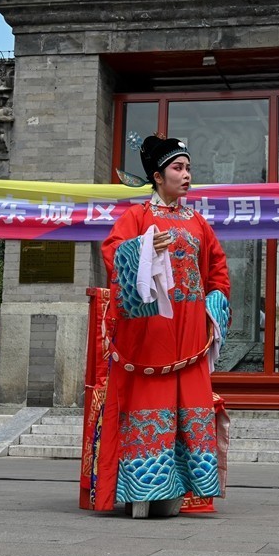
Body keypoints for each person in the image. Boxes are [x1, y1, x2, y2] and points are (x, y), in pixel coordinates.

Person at [90, 134, 231, 518]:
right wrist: (144, 250)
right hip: (151, 330)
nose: (187, 175)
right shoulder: (136, 217)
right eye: (178, 168)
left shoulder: (198, 222)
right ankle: (143, 488)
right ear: (157, 176)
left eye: (188, 168)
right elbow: (113, 253)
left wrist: (215, 301)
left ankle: (185, 491)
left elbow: (217, 267)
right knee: (150, 406)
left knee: (191, 406)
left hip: (189, 331)